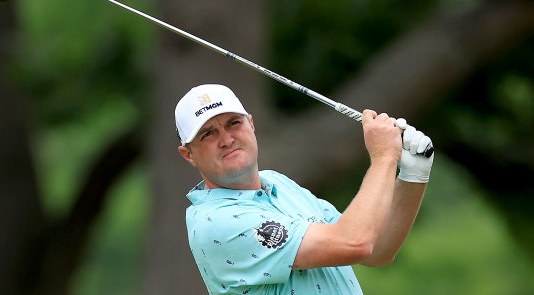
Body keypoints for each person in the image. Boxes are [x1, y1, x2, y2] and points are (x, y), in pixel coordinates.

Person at [175, 83, 434, 295]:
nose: (227, 139)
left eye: (234, 123)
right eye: (208, 134)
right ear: (188, 154)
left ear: (251, 125)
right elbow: (355, 243)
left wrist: (413, 175)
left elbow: (376, 250)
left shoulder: (279, 184)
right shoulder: (216, 221)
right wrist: (384, 158)